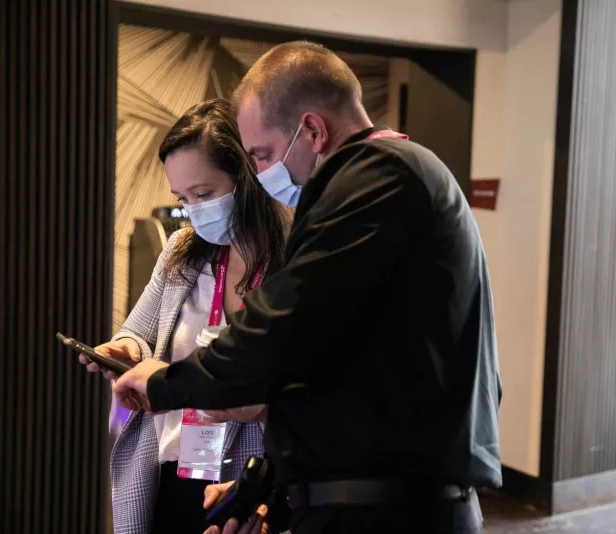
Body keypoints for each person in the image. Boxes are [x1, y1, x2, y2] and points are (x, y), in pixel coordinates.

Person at [114, 41, 502, 534]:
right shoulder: (393, 176)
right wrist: (268, 488)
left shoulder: (376, 177)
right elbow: (338, 369)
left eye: (263, 155)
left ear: (313, 130)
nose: (262, 175)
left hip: (388, 509)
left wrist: (160, 385)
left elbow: (278, 336)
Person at [81, 99, 290, 534]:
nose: (195, 210)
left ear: (247, 179)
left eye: (205, 194)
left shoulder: (293, 264)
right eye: (183, 198)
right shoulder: (181, 252)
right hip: (168, 468)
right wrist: (126, 349)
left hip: (247, 482)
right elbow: (139, 331)